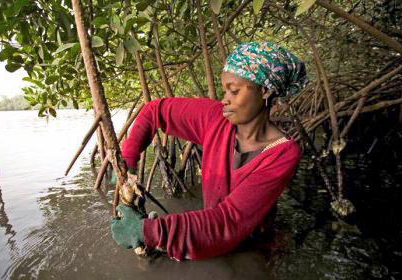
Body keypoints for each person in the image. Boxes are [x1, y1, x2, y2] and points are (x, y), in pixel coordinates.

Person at [111, 42, 308, 261]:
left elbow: (230, 221)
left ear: (265, 91)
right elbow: (154, 111)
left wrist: (148, 231)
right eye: (225, 90)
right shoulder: (216, 118)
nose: (225, 99)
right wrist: (128, 159)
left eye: (234, 91)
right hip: (208, 237)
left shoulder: (283, 154)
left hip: (250, 251)